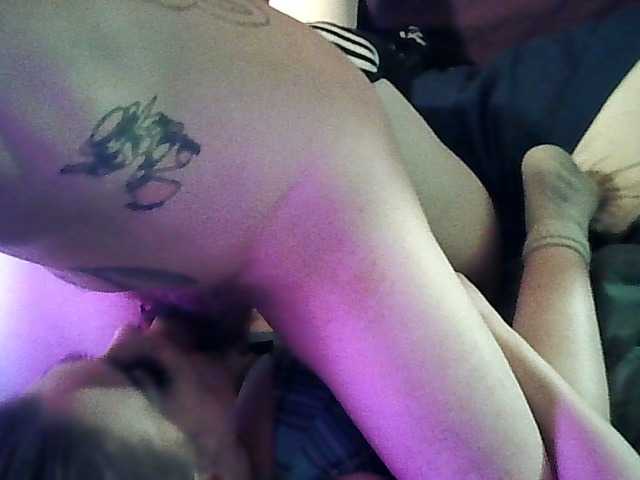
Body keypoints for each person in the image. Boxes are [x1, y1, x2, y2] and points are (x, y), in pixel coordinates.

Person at [0, 0, 639, 478]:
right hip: (325, 157)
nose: (130, 335)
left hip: (316, 136)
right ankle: (557, 224)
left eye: (79, 361)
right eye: (146, 374)